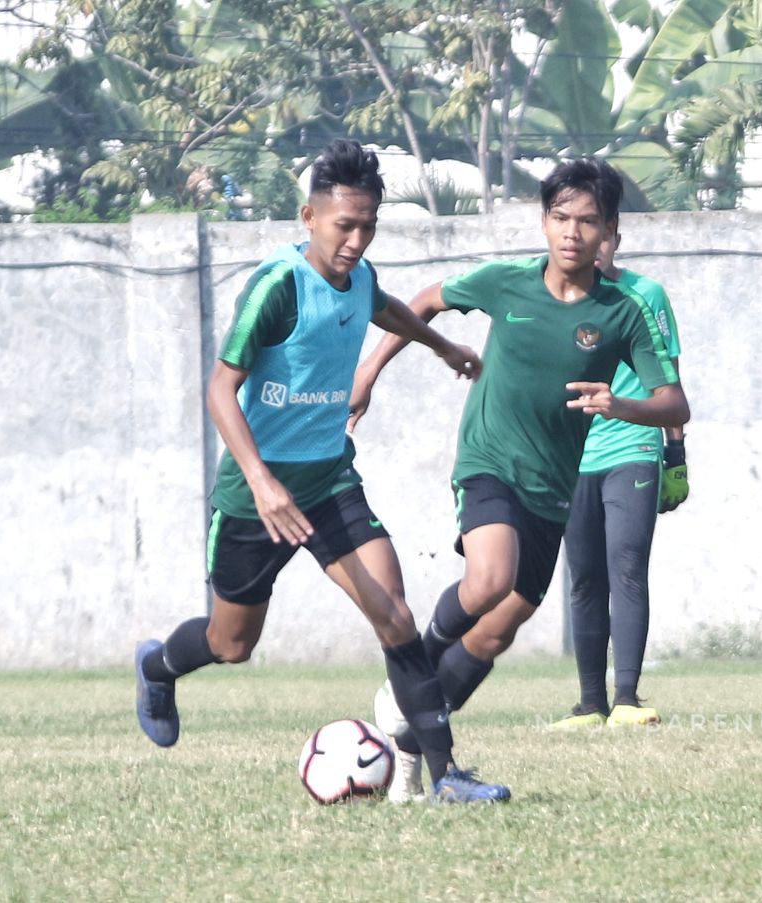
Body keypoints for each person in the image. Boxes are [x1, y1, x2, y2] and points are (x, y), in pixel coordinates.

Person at [133, 139, 498, 804]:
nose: (357, 240)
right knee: (231, 641)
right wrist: (265, 483)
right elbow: (220, 388)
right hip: (255, 497)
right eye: (345, 225)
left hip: (330, 483)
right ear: (309, 217)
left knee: (394, 614)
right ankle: (157, 664)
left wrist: (443, 345)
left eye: (369, 225)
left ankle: (447, 775)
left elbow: (384, 306)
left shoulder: (359, 277)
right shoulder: (278, 286)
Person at [350, 157, 689, 801]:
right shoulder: (507, 283)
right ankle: (410, 669)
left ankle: (411, 746)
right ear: (543, 222)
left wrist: (624, 406)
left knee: (496, 629)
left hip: (552, 489)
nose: (572, 232)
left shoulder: (622, 314)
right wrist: (369, 374)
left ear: (609, 230)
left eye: (587, 221)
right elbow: (423, 302)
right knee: (489, 578)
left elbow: (675, 404)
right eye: (560, 218)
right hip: (489, 462)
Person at [548, 229, 687, 731]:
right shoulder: (557, 298)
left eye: (603, 236)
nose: (594, 246)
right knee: (584, 578)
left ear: (616, 240)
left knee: (626, 564)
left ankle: (626, 697)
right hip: (572, 459)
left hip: (633, 447)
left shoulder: (645, 295)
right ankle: (590, 704)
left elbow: (669, 381)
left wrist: (676, 454)